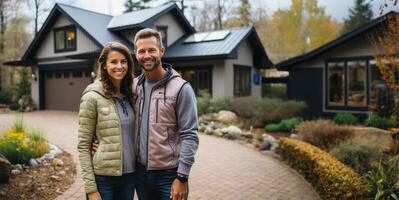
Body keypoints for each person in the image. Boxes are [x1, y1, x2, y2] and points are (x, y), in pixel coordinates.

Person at [133, 28, 199, 200]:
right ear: (136, 54)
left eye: (152, 50)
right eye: (142, 51)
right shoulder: (133, 87)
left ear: (161, 51)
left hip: (169, 176)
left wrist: (182, 177)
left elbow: (190, 135)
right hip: (140, 173)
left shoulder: (181, 88)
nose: (147, 55)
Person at [77, 42, 136, 200]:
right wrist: (90, 188)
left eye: (123, 61)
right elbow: (83, 146)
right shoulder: (92, 97)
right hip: (103, 178)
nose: (119, 66)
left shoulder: (132, 94)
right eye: (114, 62)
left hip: (129, 176)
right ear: (103, 65)